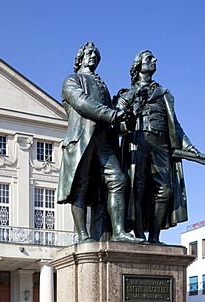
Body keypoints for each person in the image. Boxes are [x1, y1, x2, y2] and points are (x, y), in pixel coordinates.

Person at [57, 42, 142, 243]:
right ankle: (82, 234)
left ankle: (119, 232)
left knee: (118, 180)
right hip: (82, 140)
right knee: (81, 186)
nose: (93, 55)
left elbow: (115, 121)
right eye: (89, 53)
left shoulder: (103, 85)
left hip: (104, 141)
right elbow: (84, 104)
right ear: (80, 58)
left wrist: (126, 121)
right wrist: (113, 115)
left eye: (96, 53)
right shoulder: (72, 80)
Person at [116, 50, 200, 244]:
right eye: (149, 59)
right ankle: (138, 235)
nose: (154, 60)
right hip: (138, 142)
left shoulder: (164, 94)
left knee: (166, 190)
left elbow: (175, 125)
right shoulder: (126, 95)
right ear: (138, 66)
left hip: (161, 145)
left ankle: (154, 236)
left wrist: (188, 145)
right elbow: (118, 127)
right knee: (138, 188)